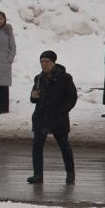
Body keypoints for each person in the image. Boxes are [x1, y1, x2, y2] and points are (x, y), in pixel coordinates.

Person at [27, 50, 78, 185]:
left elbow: (72, 97)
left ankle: (70, 174)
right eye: (42, 62)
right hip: (41, 117)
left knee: (64, 146)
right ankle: (38, 174)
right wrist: (33, 96)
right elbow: (34, 99)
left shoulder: (65, 78)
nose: (43, 64)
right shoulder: (38, 78)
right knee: (37, 146)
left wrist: (62, 111)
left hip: (58, 118)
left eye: (46, 61)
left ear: (53, 63)